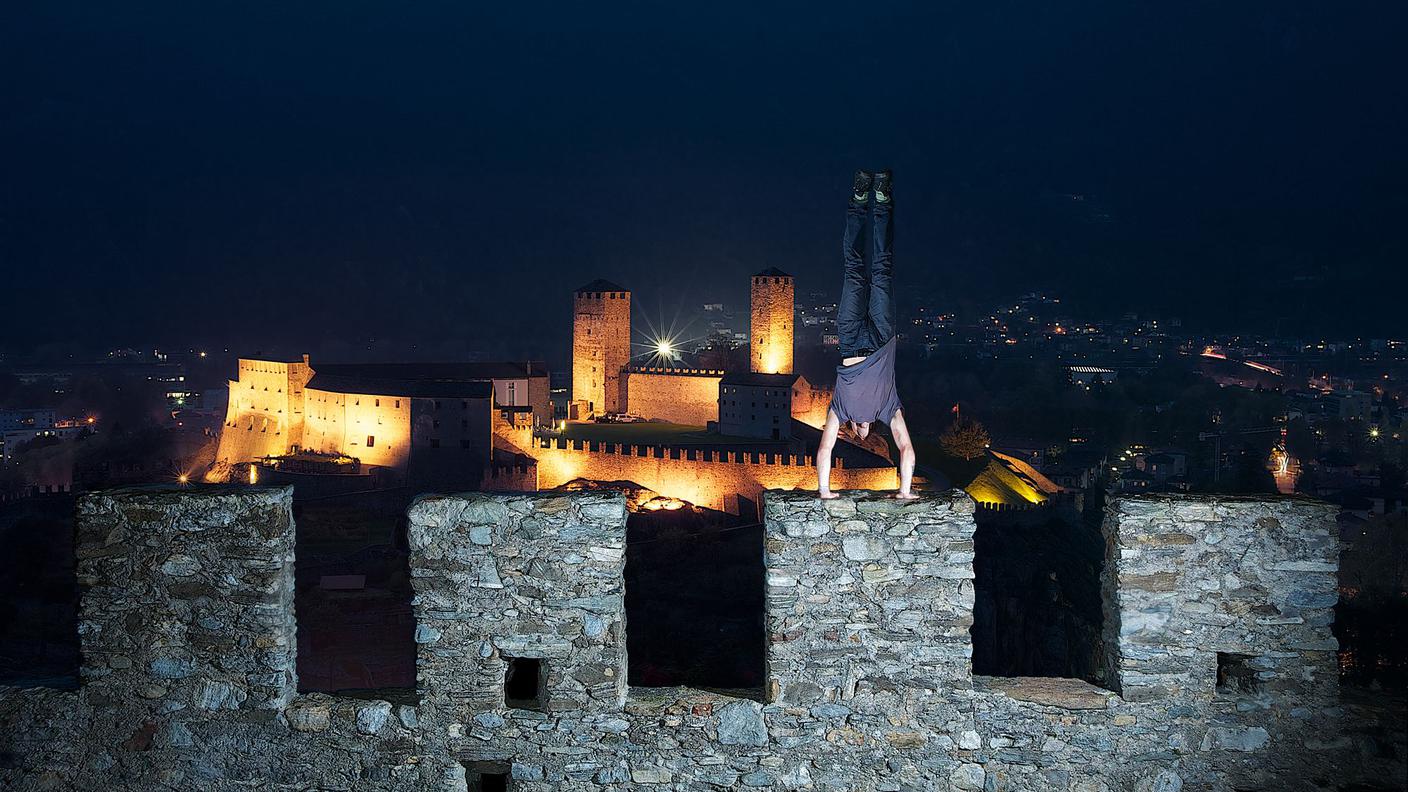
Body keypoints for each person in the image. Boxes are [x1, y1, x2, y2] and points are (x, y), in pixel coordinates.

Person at [816, 169, 917, 499]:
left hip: (851, 339)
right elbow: (904, 447)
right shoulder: (886, 410)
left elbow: (826, 448)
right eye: (864, 432)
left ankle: (860, 198)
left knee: (857, 269)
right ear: (869, 429)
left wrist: (825, 491)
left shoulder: (843, 412)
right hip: (880, 337)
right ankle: (882, 200)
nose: (862, 431)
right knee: (879, 268)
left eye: (859, 432)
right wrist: (903, 491)